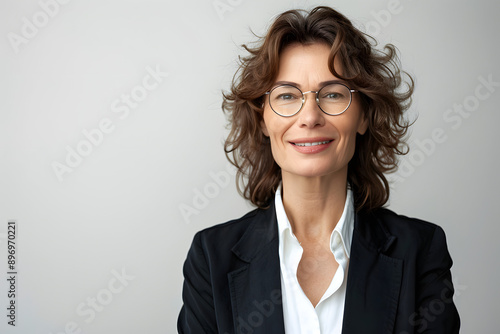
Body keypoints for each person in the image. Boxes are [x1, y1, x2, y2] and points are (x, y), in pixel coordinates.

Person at [178, 6, 460, 334]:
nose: (310, 117)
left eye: (332, 94)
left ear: (364, 116)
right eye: (286, 95)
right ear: (263, 120)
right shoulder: (211, 257)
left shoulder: (421, 251)